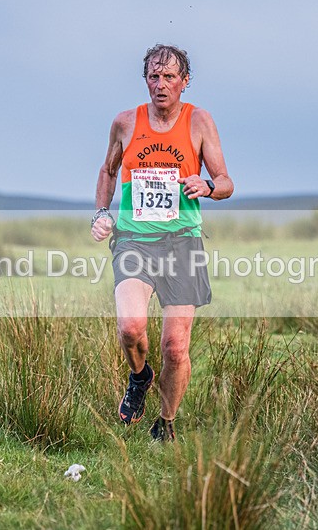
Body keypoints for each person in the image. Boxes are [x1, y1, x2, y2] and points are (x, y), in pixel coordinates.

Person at [91, 44, 233, 441]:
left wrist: (207, 185)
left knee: (175, 347)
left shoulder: (199, 121)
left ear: (184, 82)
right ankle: (140, 377)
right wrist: (101, 213)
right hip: (134, 241)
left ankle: (165, 423)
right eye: (154, 76)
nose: (161, 84)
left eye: (169, 77)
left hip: (182, 242)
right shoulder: (125, 122)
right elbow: (108, 170)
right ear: (146, 80)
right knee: (130, 328)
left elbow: (226, 182)